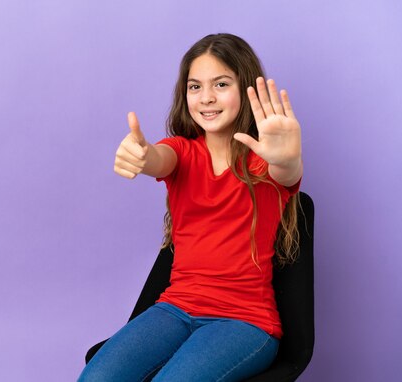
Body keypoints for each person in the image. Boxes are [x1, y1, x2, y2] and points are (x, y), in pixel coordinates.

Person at [78, 33, 303, 382]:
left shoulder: (265, 162)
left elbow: (286, 171)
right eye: (195, 86)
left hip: (245, 322)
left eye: (221, 84)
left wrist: (288, 158)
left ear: (246, 89)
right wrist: (141, 155)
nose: (207, 98)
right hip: (175, 309)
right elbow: (159, 159)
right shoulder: (182, 152)